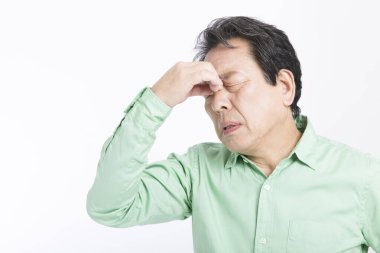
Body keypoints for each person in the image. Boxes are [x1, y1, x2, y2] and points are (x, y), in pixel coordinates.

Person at [86, 16, 380, 253]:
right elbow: (110, 206)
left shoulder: (363, 177)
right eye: (208, 93)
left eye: (233, 83)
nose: (218, 103)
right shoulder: (197, 171)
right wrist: (158, 99)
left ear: (284, 87)